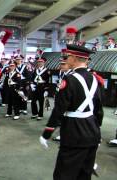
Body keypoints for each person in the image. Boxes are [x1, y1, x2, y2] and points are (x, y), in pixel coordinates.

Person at [39, 44, 104, 180]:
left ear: (74, 58)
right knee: (84, 175)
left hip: (74, 133)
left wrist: (47, 133)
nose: (66, 59)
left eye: (67, 57)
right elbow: (98, 110)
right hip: (92, 132)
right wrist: (96, 130)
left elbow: (59, 110)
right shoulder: (95, 78)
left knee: (63, 174)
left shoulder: (69, 79)